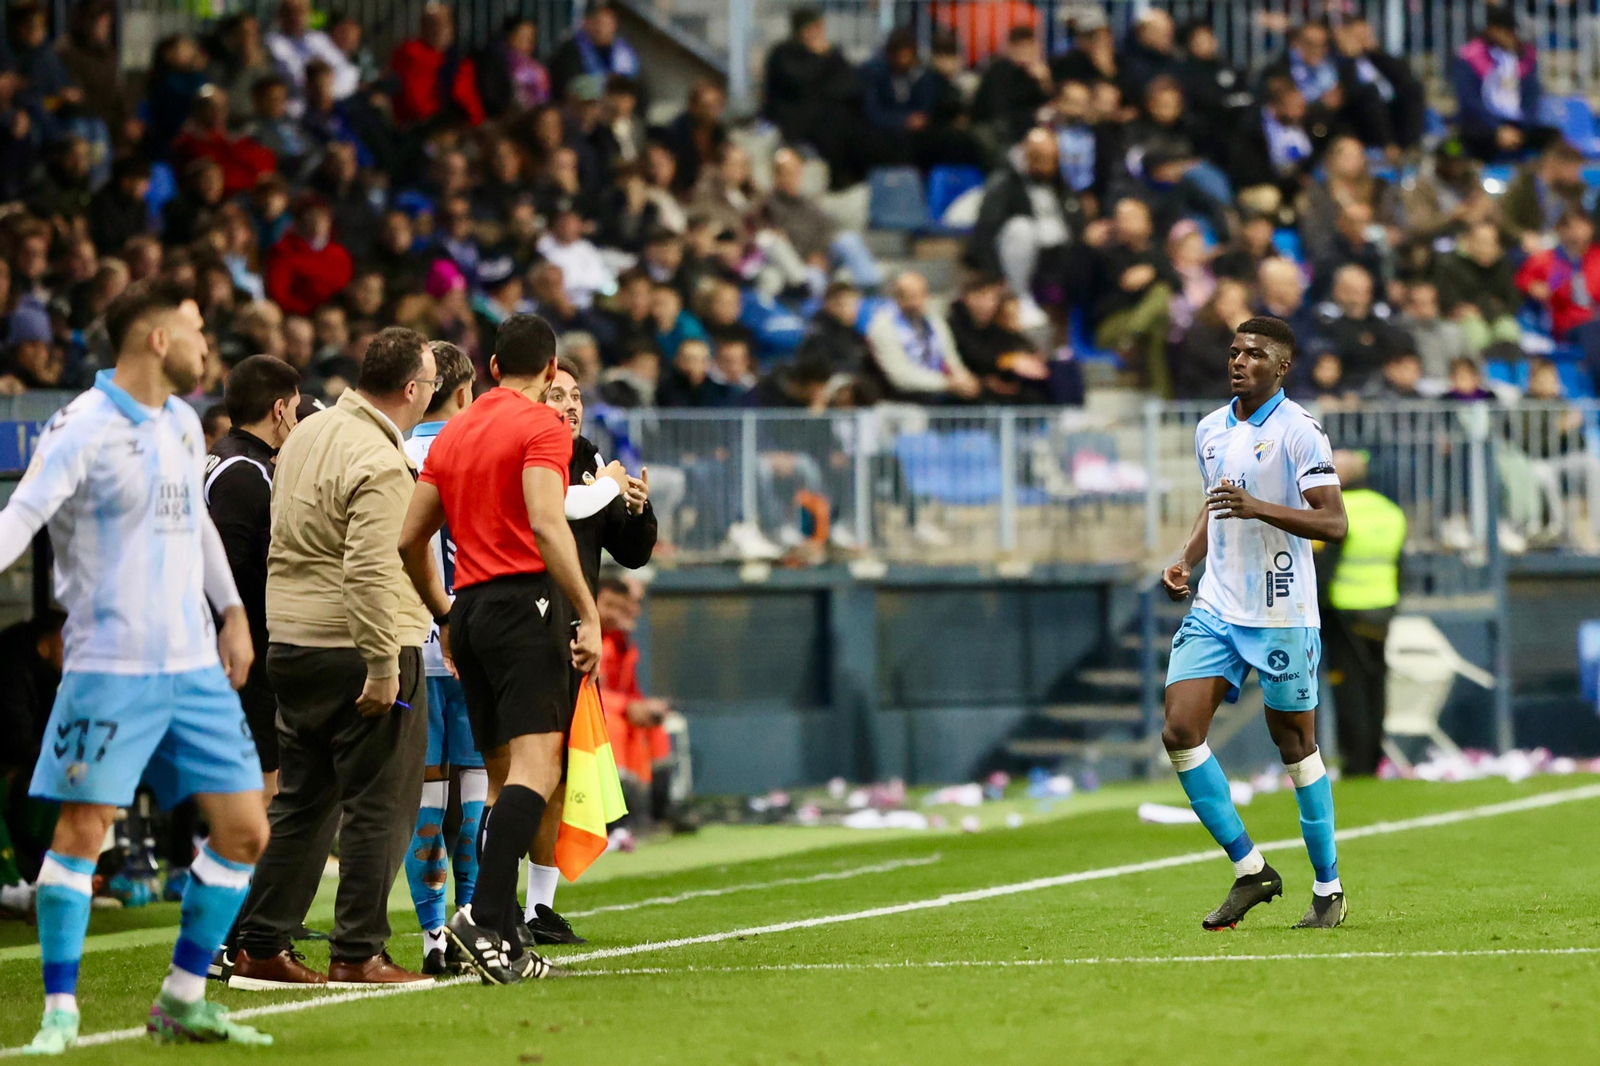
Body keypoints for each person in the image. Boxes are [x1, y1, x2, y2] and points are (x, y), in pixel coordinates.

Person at [0, 279, 271, 1051]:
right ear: (157, 339)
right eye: (196, 330)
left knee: (246, 831)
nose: (206, 346)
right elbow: (22, 517)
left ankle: (182, 998)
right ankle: (60, 1013)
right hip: (110, 668)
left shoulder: (185, 424)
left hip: (192, 664)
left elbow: (199, 530)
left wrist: (233, 612)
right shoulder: (79, 427)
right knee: (83, 831)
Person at [229, 328, 438, 992]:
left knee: (303, 800)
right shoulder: (379, 460)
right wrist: (382, 663)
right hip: (359, 648)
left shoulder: (306, 432)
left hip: (291, 644)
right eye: (431, 383)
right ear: (413, 390)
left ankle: (260, 945)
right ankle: (358, 952)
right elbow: (372, 571)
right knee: (382, 800)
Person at [398, 314, 600, 985]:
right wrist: (589, 613)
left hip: (471, 610)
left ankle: (504, 935)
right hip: (524, 604)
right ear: (549, 372)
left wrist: (446, 616)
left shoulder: (454, 431)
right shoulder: (541, 424)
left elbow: (408, 540)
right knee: (538, 773)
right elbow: (546, 520)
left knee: (499, 773)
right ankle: (484, 915)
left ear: (487, 369)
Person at [1160, 315, 1347, 932]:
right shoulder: (1210, 429)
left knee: (1296, 748)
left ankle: (1328, 890)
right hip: (1217, 605)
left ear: (1282, 366)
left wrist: (1259, 506)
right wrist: (1186, 559)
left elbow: (1333, 523)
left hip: (1282, 609)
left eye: (1255, 354)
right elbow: (1216, 502)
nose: (1239, 361)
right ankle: (1251, 870)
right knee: (1180, 731)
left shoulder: (1301, 432)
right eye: (1234, 351)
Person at [526, 356, 656, 943]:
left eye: (576, 396)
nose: (571, 405)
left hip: (572, 637)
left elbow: (631, 552)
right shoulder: (527, 457)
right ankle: (487, 905)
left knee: (558, 773)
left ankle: (536, 909)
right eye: (557, 394)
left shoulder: (589, 461)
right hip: (525, 626)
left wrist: (636, 508)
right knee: (507, 774)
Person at [204, 356, 302, 804]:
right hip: (244, 645)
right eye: (297, 410)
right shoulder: (246, 473)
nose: (298, 421)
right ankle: (251, 873)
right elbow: (229, 564)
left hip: (223, 638)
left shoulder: (219, 459)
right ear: (279, 410)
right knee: (262, 784)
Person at [1318, 450, 1405, 778]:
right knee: (1375, 685)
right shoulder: (1390, 511)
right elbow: (1399, 565)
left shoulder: (1336, 512)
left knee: (1349, 687)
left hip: (1345, 611)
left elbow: (1324, 569)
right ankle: (1373, 758)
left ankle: (1355, 763)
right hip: (1383, 608)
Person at [965, 127, 1083, 327]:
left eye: (1052, 158)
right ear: (1026, 154)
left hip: (1058, 259)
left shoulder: (1062, 185)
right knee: (1021, 228)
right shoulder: (1004, 183)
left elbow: (1075, 223)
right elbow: (986, 231)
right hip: (1017, 260)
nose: (1047, 164)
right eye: (1040, 157)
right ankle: (1019, 295)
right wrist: (994, 275)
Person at [865, 272, 979, 402]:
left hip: (939, 395)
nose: (918, 302)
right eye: (910, 297)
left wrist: (964, 378)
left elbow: (949, 357)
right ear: (898, 298)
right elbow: (900, 376)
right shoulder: (883, 326)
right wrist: (947, 384)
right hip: (900, 401)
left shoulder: (933, 320)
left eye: (922, 295)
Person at [1452, 6, 1547, 162]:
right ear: (1492, 30)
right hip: (1483, 124)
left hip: (1518, 124)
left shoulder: (1525, 58)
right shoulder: (1469, 58)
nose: (1510, 37)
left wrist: (1519, 128)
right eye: (1506, 32)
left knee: (1551, 136)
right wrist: (1497, 129)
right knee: (1471, 133)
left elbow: (1532, 95)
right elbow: (1470, 101)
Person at [1433, 219, 1522, 353]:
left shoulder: (1503, 265)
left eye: (1491, 244)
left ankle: (1508, 371)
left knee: (1509, 329)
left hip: (1495, 315)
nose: (1486, 249)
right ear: (1468, 241)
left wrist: (1490, 309)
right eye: (1482, 243)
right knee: (1476, 332)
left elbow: (1513, 299)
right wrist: (1460, 310)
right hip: (1463, 320)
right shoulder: (1449, 263)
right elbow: (1447, 300)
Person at [1516, 209, 1600, 342]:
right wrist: (1533, 286)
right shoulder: (1548, 259)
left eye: (1581, 226)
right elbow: (1522, 278)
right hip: (1567, 325)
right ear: (1560, 230)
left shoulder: (1597, 256)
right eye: (1570, 228)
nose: (1577, 233)